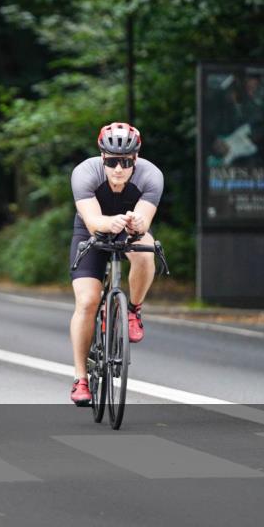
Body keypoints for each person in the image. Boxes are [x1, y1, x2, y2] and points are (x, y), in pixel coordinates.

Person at [68, 123, 163, 406]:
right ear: (102, 157)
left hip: (127, 227)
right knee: (87, 301)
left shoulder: (151, 176)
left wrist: (137, 223)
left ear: (136, 158)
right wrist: (109, 222)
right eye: (111, 162)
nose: (118, 169)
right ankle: (81, 379)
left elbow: (144, 221)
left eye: (126, 162)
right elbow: (92, 221)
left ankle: (133, 310)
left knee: (146, 252)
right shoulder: (85, 173)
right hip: (92, 230)